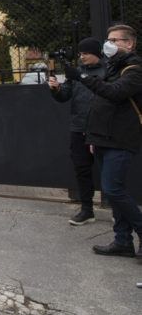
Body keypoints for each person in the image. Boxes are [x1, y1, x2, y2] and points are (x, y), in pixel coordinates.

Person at [64, 25, 142, 258]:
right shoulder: (113, 67)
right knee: (115, 191)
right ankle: (122, 241)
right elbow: (101, 104)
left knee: (113, 190)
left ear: (129, 43)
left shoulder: (134, 69)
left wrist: (82, 76)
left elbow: (114, 93)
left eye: (115, 40)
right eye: (108, 39)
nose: (109, 44)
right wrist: (93, 137)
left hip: (121, 138)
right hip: (102, 138)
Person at [48, 37, 105, 225]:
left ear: (96, 53)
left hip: (103, 129)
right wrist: (56, 89)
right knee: (81, 169)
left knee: (109, 170)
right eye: (80, 53)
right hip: (79, 128)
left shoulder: (108, 71)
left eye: (86, 53)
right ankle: (87, 209)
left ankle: (118, 209)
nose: (82, 57)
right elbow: (64, 95)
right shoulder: (76, 73)